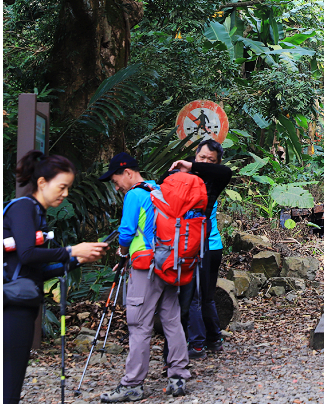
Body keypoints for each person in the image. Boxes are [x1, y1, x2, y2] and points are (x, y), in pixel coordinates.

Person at [3, 151, 108, 404]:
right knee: (8, 383)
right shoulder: (23, 207)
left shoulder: (35, 212)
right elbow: (27, 255)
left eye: (68, 188)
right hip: (10, 309)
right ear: (42, 183)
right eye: (62, 187)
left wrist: (75, 261)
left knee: (12, 380)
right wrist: (72, 250)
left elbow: (34, 272)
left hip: (22, 306)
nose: (65, 194)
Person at [98, 152, 190, 402]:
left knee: (139, 325)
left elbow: (127, 233)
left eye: (115, 179)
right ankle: (178, 378)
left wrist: (122, 253)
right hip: (169, 264)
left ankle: (132, 384)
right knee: (172, 320)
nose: (115, 185)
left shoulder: (134, 194)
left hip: (145, 267)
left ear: (127, 172)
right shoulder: (159, 189)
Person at [182, 139, 229, 359]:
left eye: (211, 159)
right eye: (201, 157)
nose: (205, 161)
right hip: (203, 245)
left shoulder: (213, 178)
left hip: (207, 246)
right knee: (205, 297)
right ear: (195, 154)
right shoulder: (189, 177)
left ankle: (198, 343)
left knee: (196, 297)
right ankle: (213, 339)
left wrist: (192, 166)